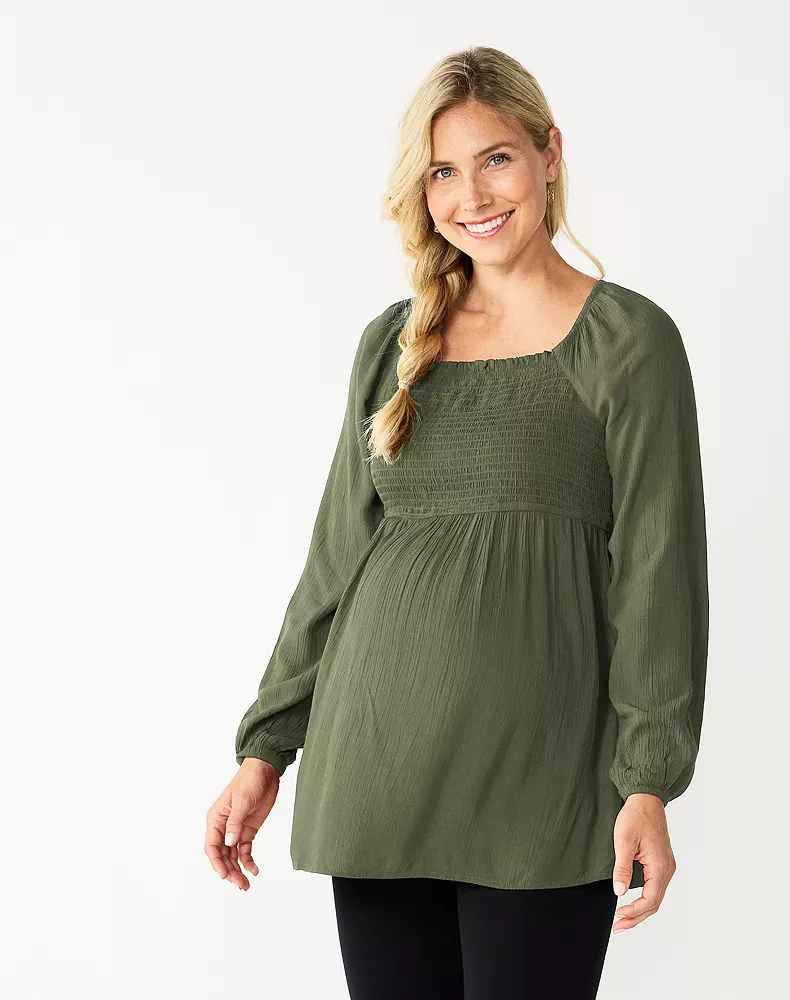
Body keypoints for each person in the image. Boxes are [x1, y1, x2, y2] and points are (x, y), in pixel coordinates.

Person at [204, 45, 710, 999]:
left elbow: (659, 572)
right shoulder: (393, 345)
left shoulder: (629, 343)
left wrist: (649, 777)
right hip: (378, 770)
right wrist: (265, 747)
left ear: (549, 154)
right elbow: (334, 562)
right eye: (441, 171)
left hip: (544, 784)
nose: (470, 195)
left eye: (496, 159)